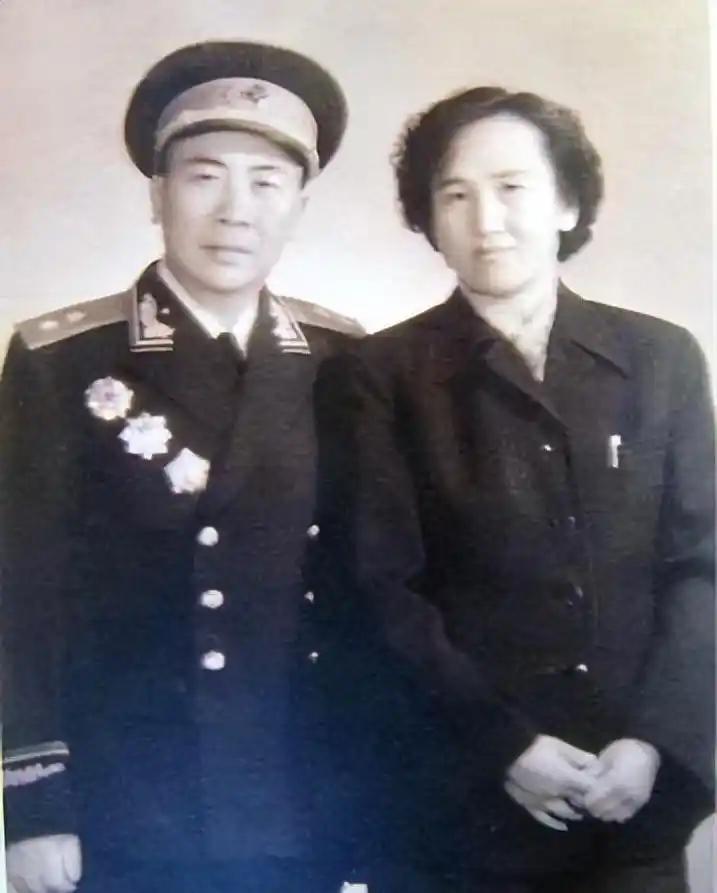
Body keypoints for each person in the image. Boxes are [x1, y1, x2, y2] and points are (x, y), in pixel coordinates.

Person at [317, 87, 715, 892]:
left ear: (566, 203)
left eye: (511, 188)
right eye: (454, 195)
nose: (486, 221)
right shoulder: (376, 376)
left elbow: (700, 565)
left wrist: (652, 744)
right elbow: (377, 587)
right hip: (457, 811)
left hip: (627, 804)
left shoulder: (660, 357)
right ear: (428, 219)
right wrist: (503, 745)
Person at [1, 40, 363, 893]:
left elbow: (363, 590)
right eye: (205, 177)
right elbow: (21, 593)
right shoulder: (62, 361)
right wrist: (35, 804)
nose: (236, 211)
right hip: (127, 798)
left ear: (299, 206)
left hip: (291, 794)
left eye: (266, 183)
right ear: (157, 195)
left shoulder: (343, 358)